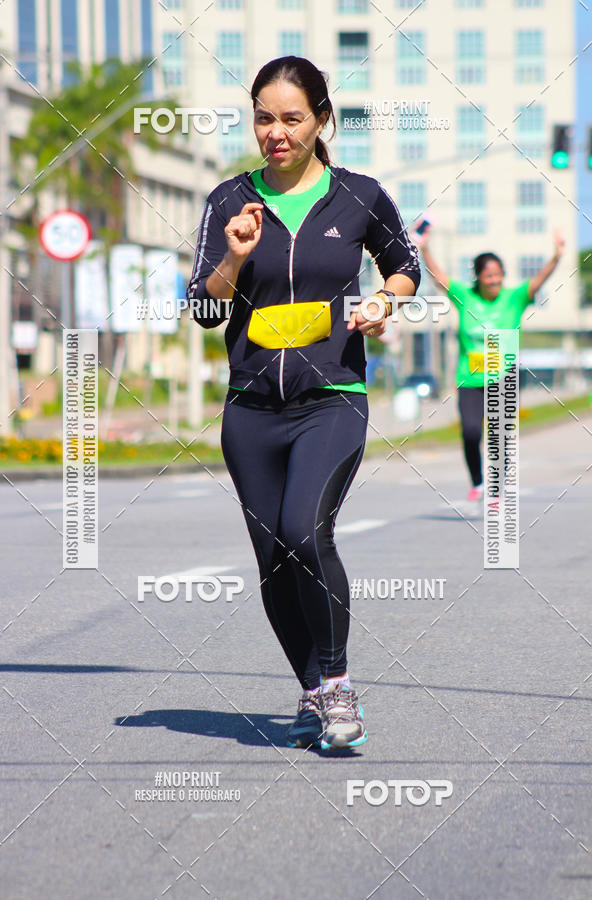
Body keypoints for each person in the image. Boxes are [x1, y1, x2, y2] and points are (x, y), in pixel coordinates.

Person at [187, 56, 421, 751]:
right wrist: (232, 258)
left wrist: (385, 300)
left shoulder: (360, 195)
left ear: (322, 121)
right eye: (264, 117)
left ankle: (339, 681)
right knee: (272, 559)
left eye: (292, 118)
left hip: (332, 397)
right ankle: (314, 694)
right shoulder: (230, 201)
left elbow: (404, 263)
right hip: (251, 409)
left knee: (301, 531)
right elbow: (203, 308)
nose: (276, 132)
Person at [419, 226, 565, 500]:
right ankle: (477, 482)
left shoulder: (515, 297)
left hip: (504, 377)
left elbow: (539, 279)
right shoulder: (465, 296)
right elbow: (438, 277)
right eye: (489, 275)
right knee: (472, 431)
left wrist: (556, 256)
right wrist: (425, 248)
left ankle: (496, 490)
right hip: (471, 377)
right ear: (479, 277)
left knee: (499, 435)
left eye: (498, 274)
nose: (495, 279)